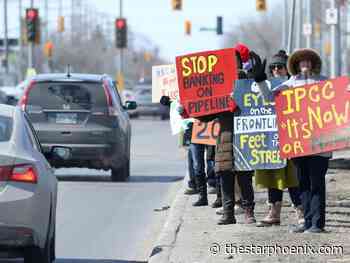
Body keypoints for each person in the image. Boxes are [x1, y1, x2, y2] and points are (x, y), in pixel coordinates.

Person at [251, 48, 331, 233]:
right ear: (295, 64)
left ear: (313, 63)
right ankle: (306, 221)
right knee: (302, 183)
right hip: (299, 143)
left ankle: (317, 223)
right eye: (301, 61)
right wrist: (261, 79)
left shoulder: (324, 82)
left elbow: (339, 97)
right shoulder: (290, 84)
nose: (305, 64)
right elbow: (270, 98)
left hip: (320, 144)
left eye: (308, 61)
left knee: (317, 182)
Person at [253, 50, 304, 227]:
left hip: (292, 137)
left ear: (288, 68)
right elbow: (266, 98)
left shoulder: (296, 84)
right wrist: (259, 79)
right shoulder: (267, 86)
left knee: (293, 177)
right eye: (273, 67)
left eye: (280, 67)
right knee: (273, 174)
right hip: (272, 139)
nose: (276, 70)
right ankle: (274, 212)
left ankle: (301, 212)